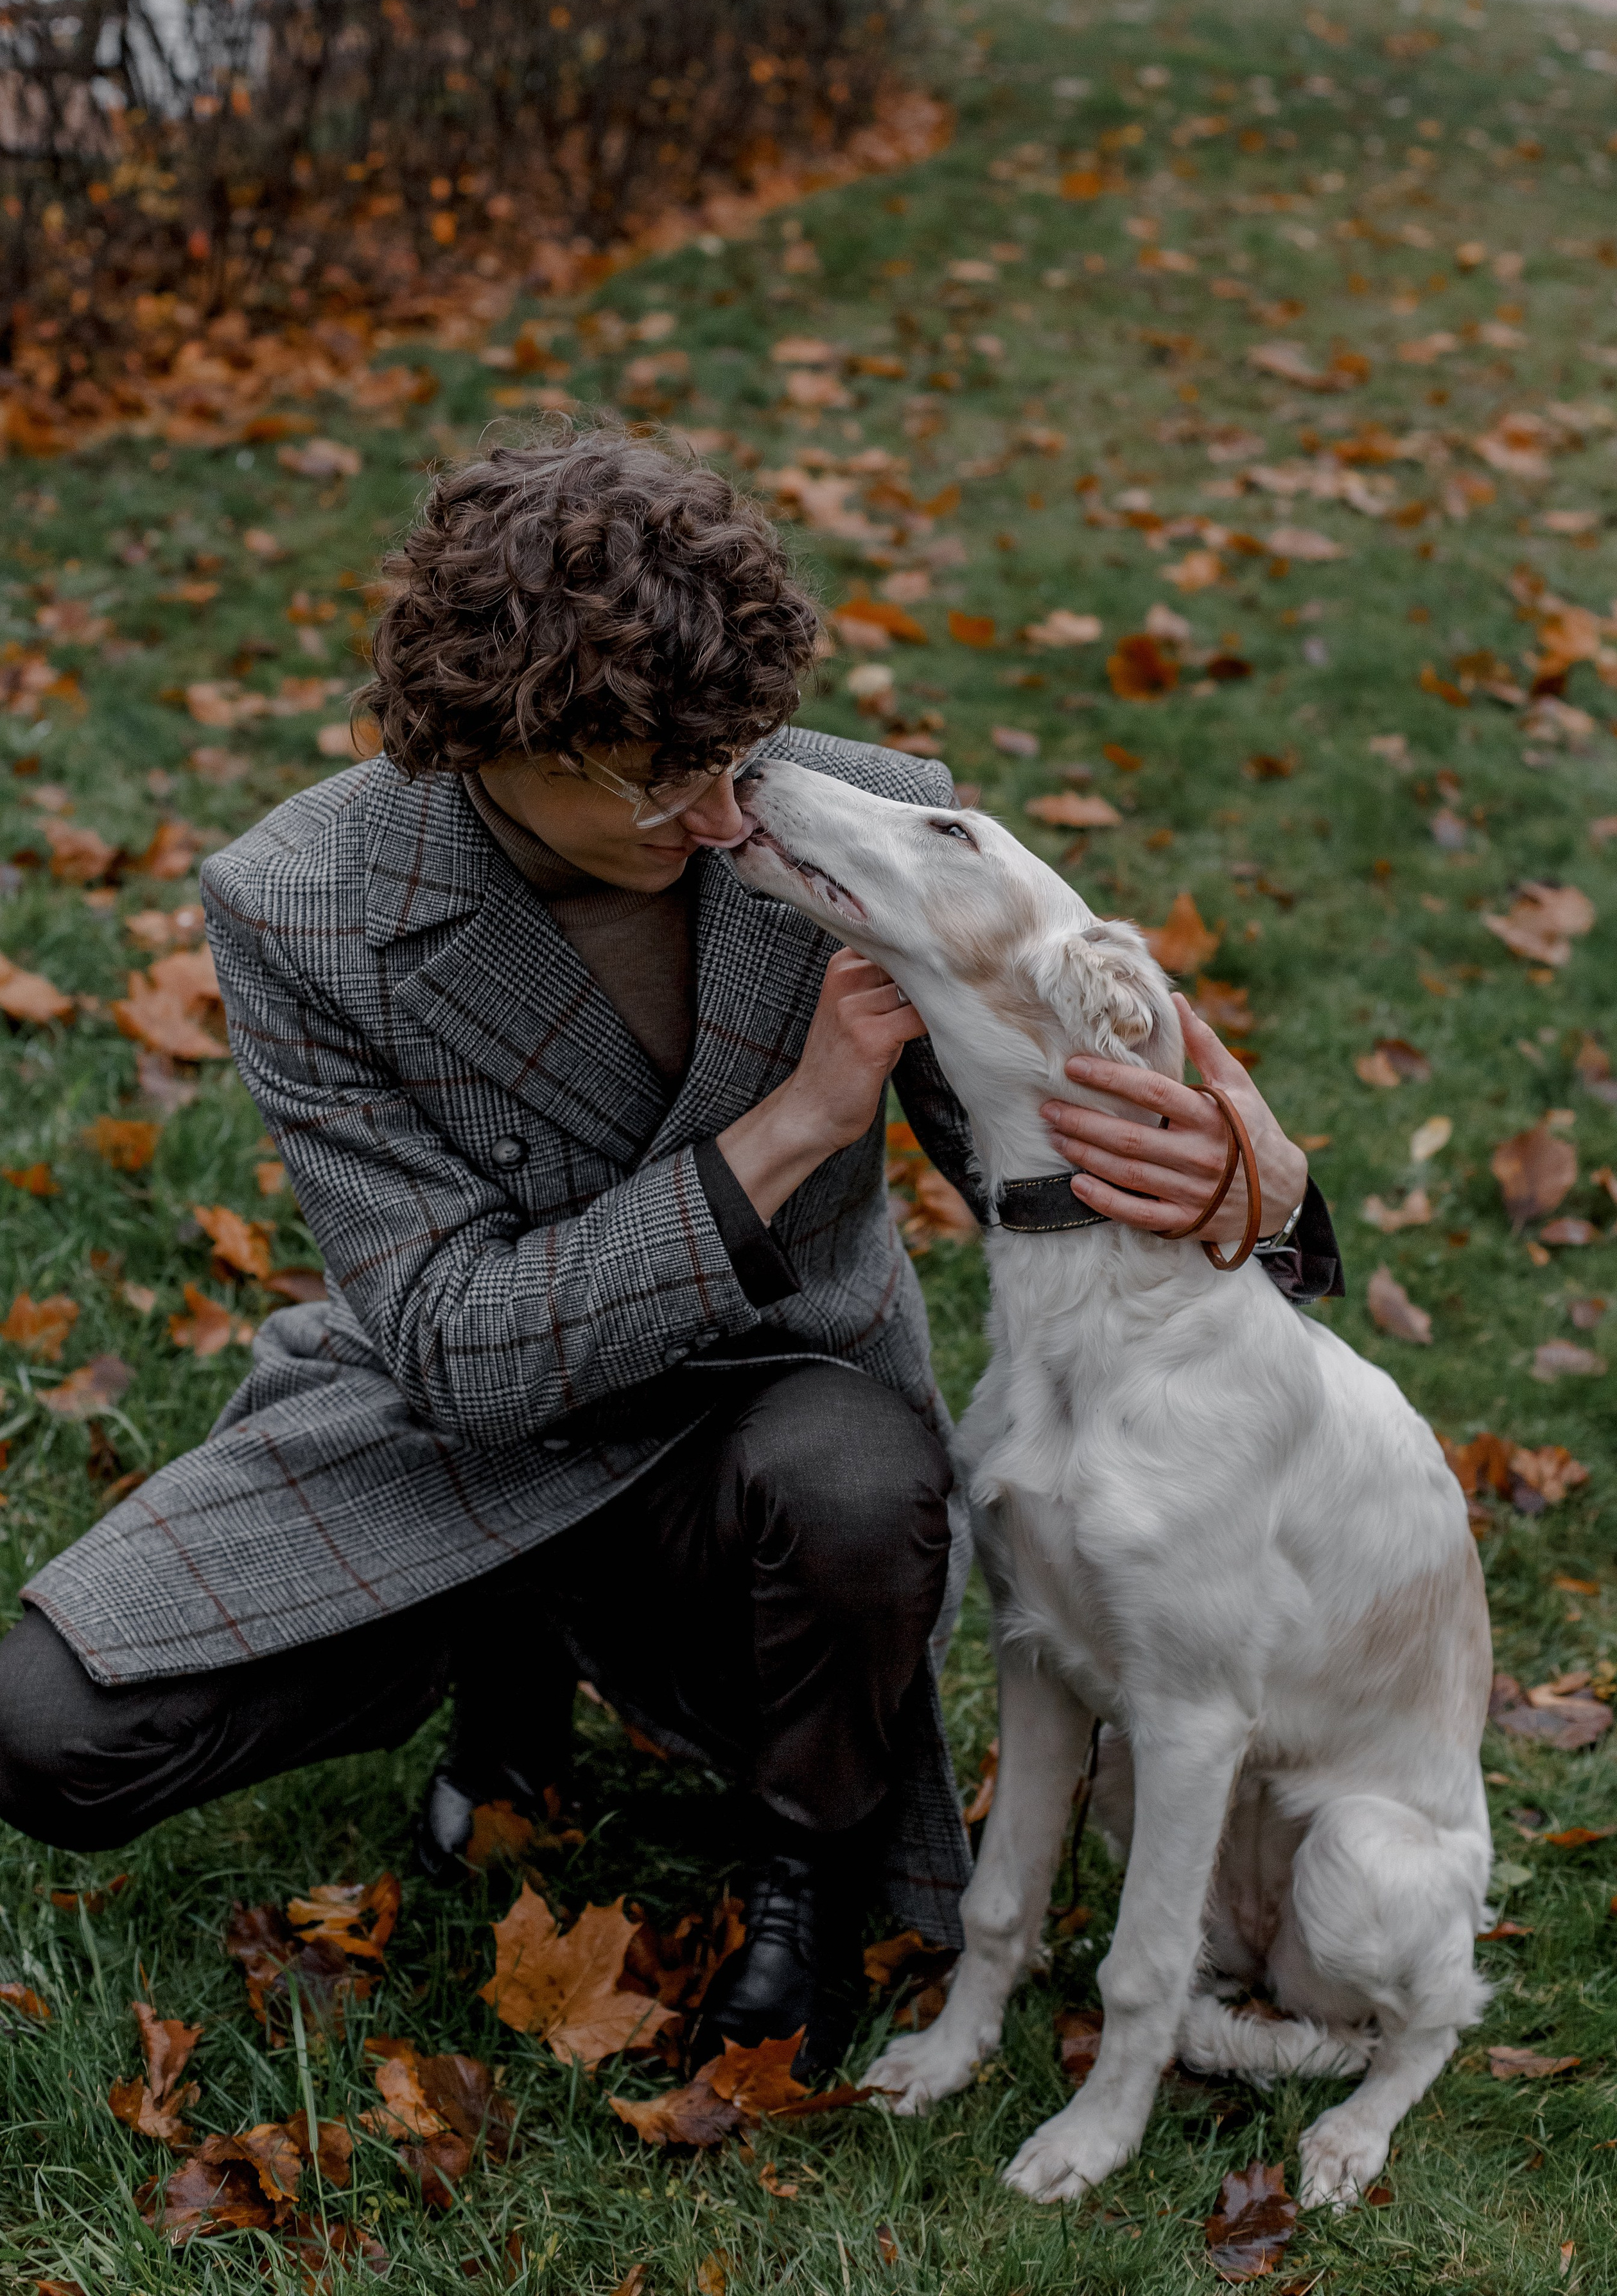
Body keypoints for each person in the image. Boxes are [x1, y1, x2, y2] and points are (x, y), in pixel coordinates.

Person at [0, 423, 1342, 2071]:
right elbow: (459, 1345)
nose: (721, 817)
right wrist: (790, 1127)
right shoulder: (300, 901)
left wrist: (1258, 1181)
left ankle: (804, 1872)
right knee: (48, 1736)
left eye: (737, 751)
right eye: (652, 779)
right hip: (456, 1417)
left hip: (772, 1429)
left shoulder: (856, 820)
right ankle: (499, 1650)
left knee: (854, 1473)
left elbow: (1081, 1127)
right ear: (486, 737)